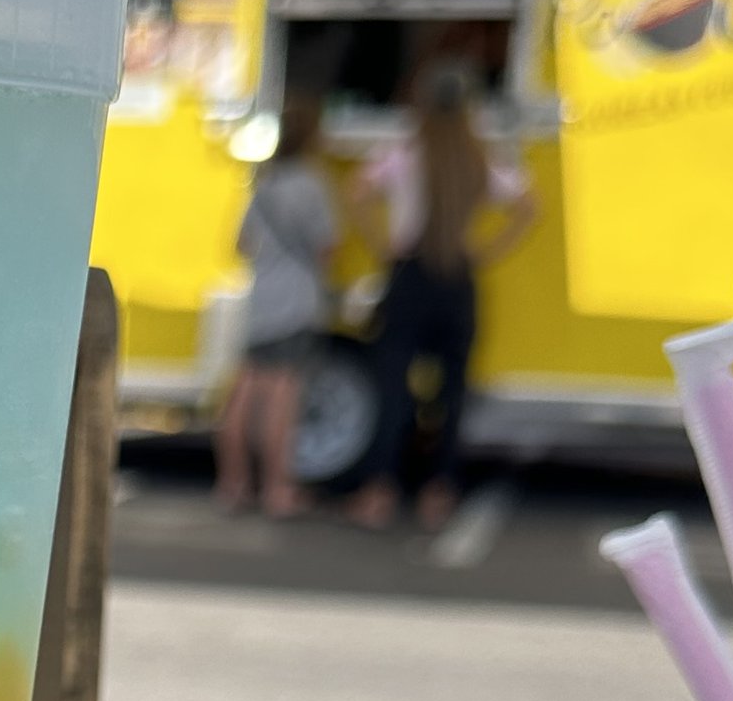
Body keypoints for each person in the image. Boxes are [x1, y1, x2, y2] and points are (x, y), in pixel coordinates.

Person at [346, 61, 538, 533]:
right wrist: (489, 250)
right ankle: (439, 489)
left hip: (410, 274)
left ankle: (380, 490)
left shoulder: (407, 151)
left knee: (394, 388)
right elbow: (528, 207)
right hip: (458, 278)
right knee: (452, 393)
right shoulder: (479, 159)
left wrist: (382, 243)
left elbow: (358, 192)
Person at [214, 94, 337, 518]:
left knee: (244, 394)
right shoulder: (312, 185)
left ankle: (233, 483)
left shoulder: (263, 184)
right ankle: (277, 489)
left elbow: (241, 244)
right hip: (296, 304)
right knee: (282, 397)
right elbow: (326, 249)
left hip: (260, 303)